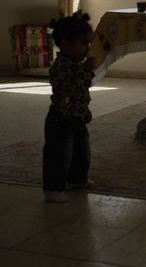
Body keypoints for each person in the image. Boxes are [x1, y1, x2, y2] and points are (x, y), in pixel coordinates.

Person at [42, 11, 96, 203]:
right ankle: (52, 188)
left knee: (81, 149)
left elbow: (83, 89)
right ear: (65, 44)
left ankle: (77, 179)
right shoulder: (61, 66)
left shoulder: (75, 64)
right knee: (58, 153)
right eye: (83, 44)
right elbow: (71, 86)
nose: (87, 48)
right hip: (61, 117)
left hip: (76, 115)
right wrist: (86, 70)